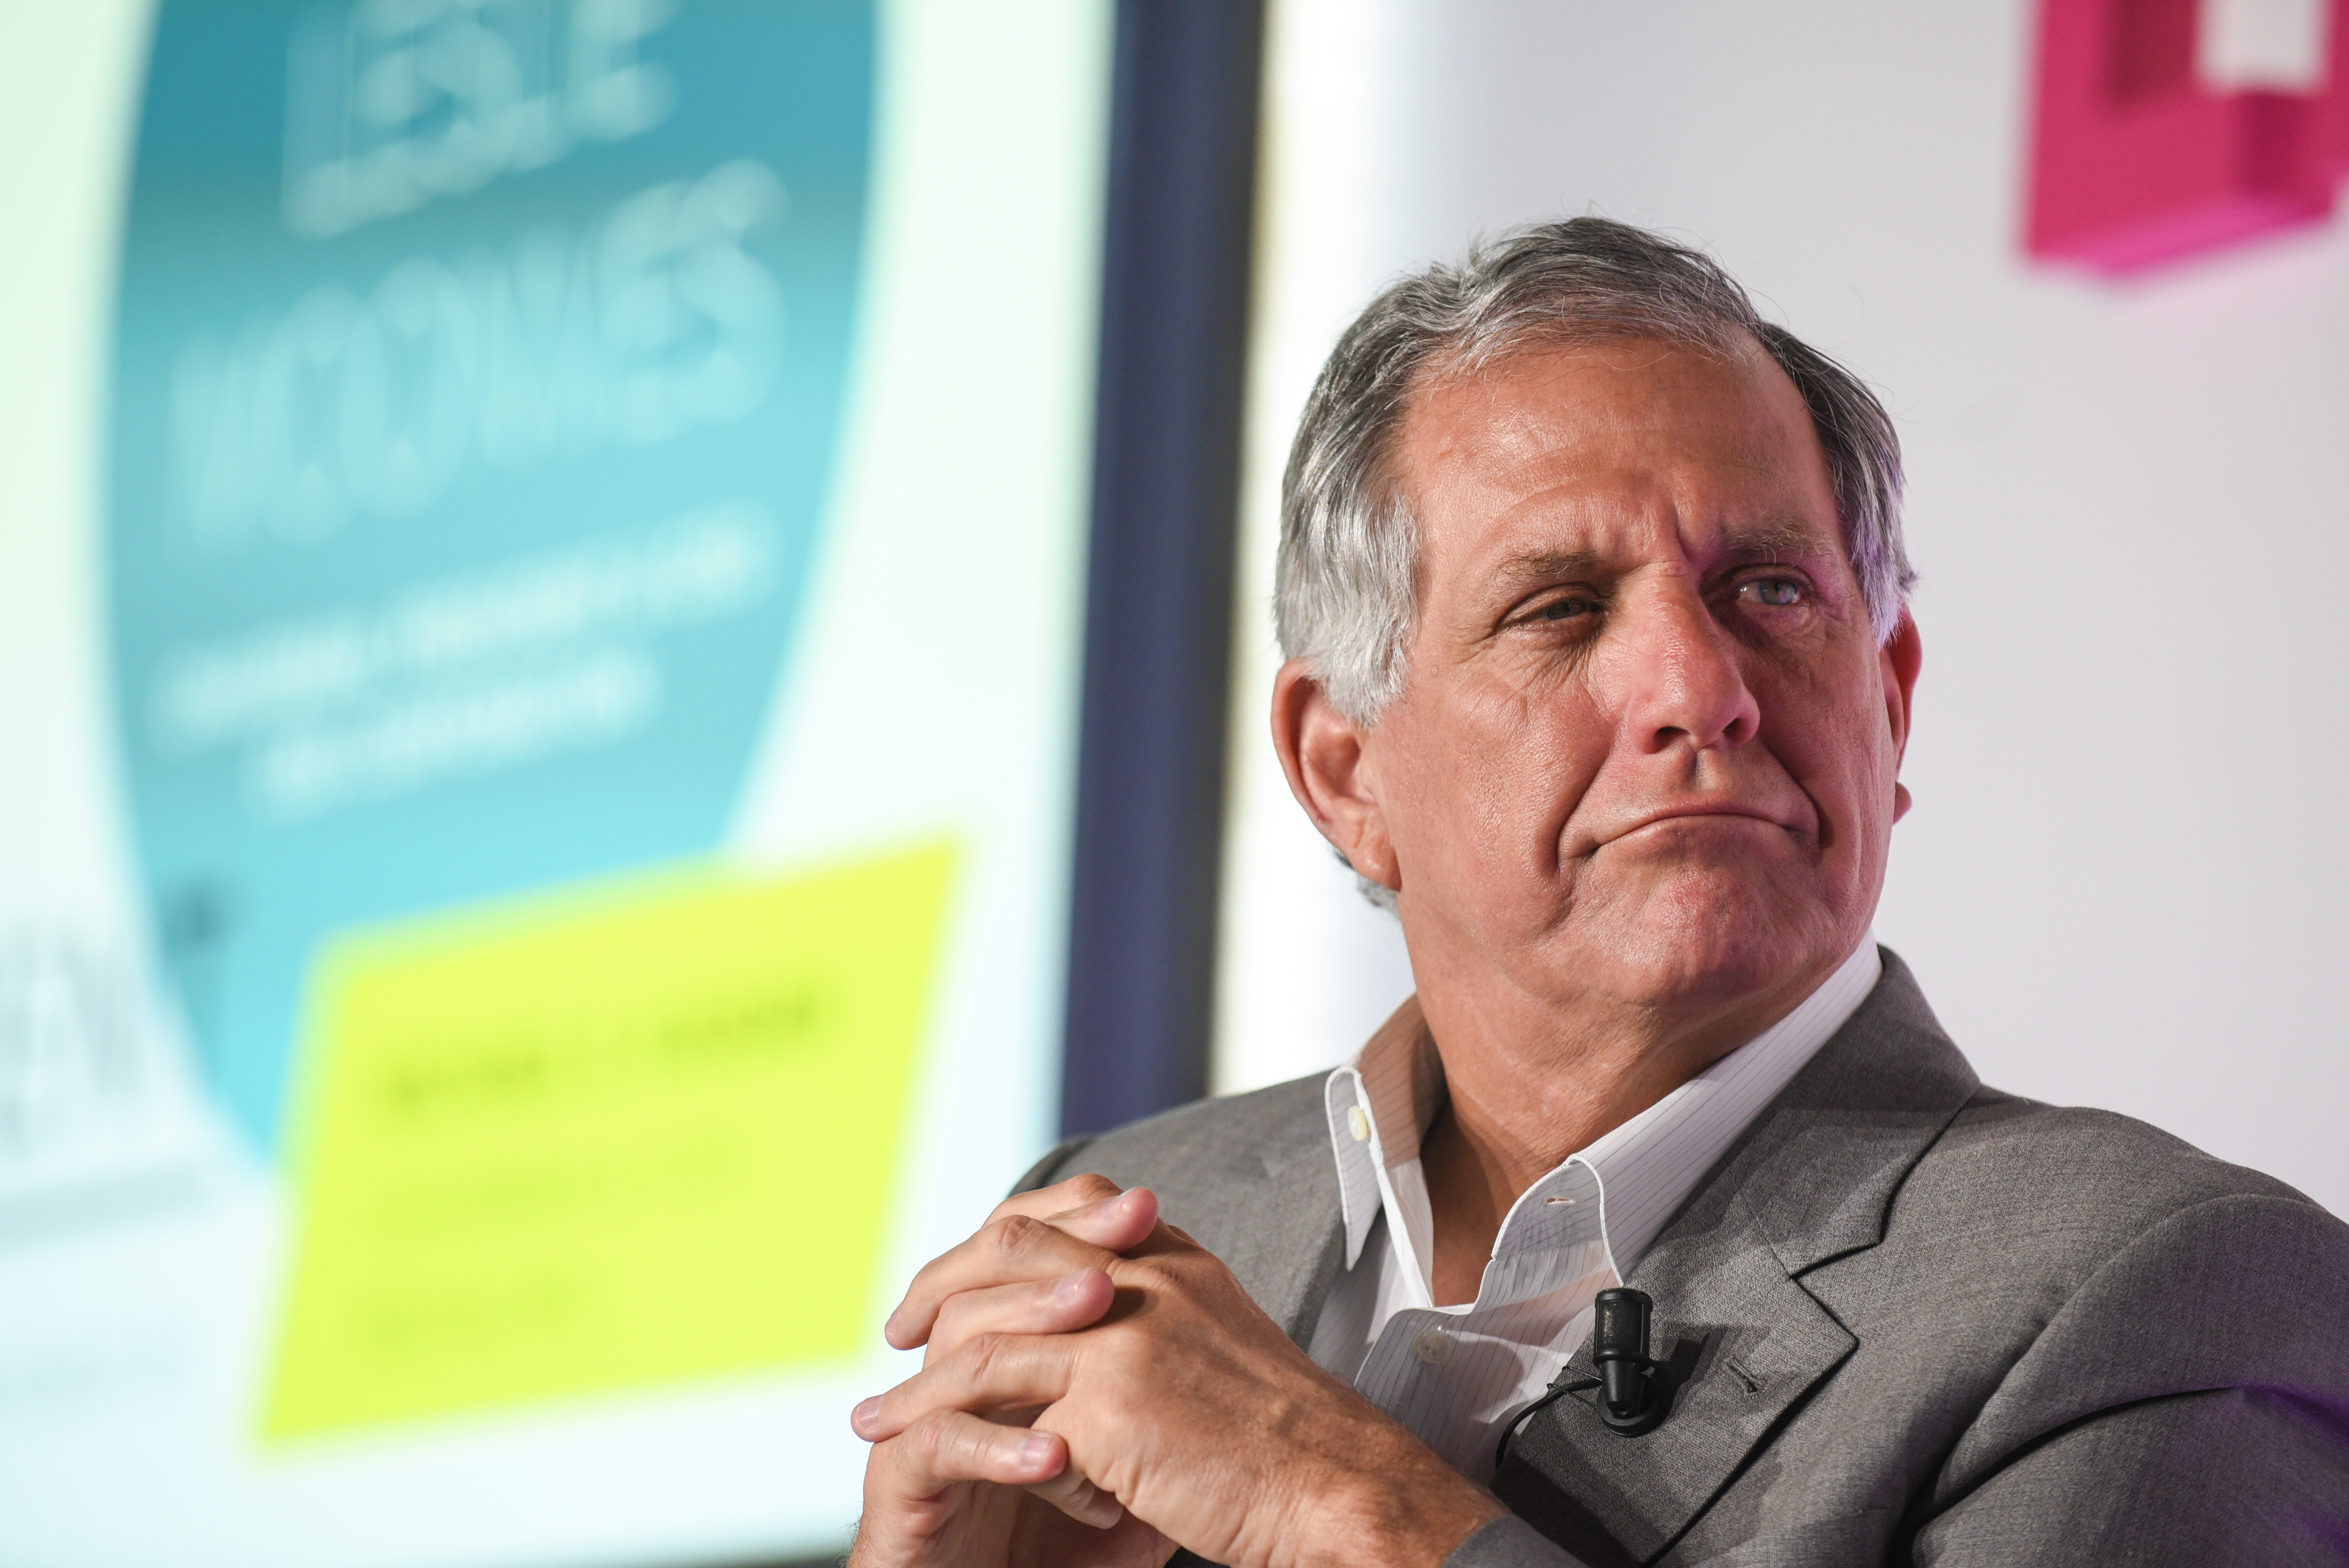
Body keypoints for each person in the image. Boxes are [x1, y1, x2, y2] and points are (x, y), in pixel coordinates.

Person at [844, 218, 2349, 1566]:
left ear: (1889, 707)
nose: (1701, 692)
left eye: (1771, 592)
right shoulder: (1105, 1225)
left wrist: (1340, 1507)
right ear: (1346, 770)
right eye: (1561, 609)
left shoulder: (2166, 1294)